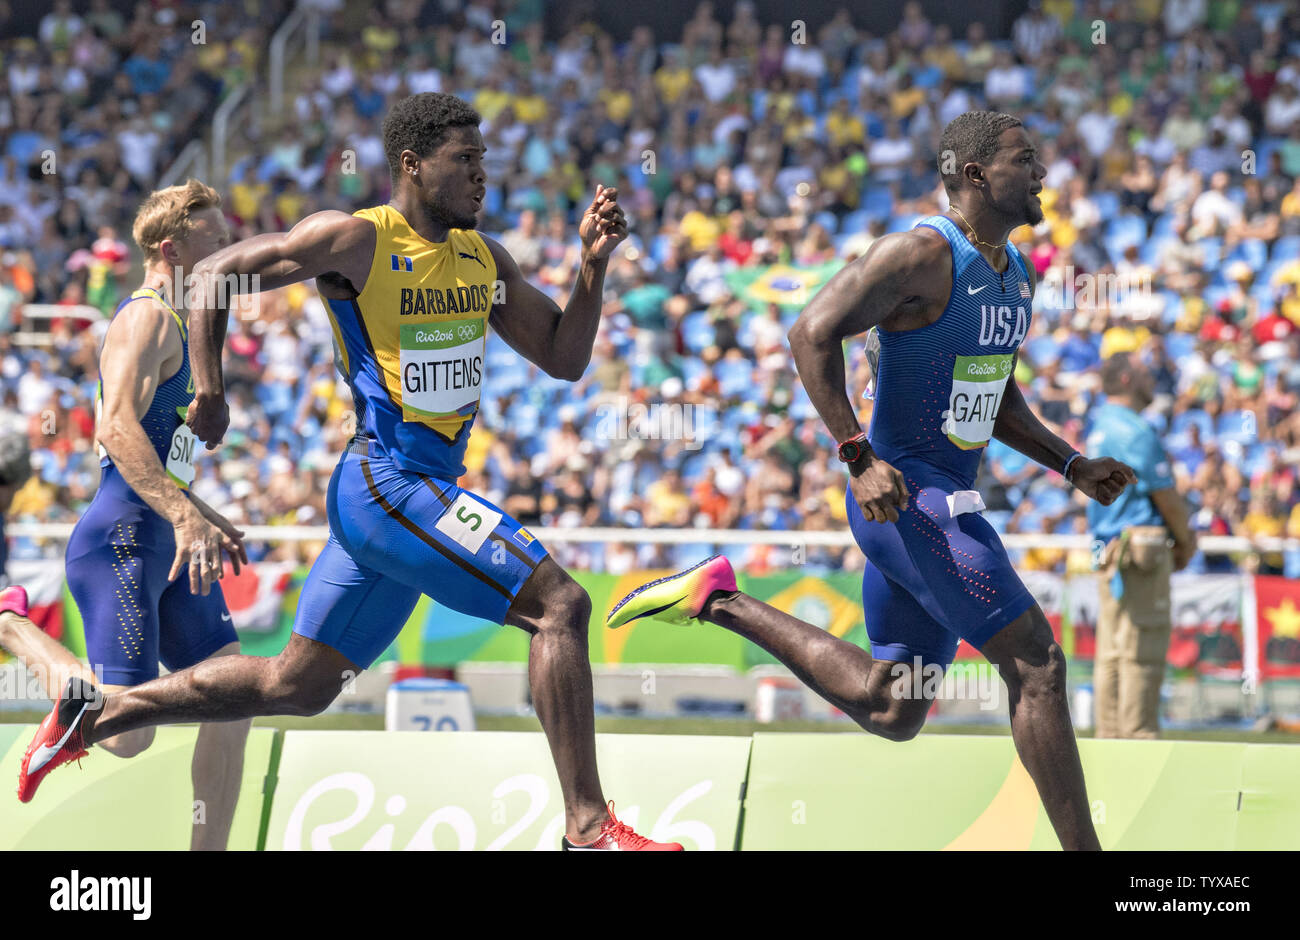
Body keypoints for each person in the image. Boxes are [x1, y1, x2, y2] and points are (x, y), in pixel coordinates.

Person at [20, 94, 677, 851]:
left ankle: (97, 717)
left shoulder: (483, 258)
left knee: (291, 688)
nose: (481, 177)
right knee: (558, 604)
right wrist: (210, 386)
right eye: (464, 160)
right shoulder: (356, 240)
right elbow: (211, 280)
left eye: (484, 160)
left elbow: (564, 358)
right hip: (384, 485)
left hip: (422, 495)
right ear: (412, 164)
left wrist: (592, 268)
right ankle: (589, 827)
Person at [608, 111, 1138, 851]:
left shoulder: (1015, 275)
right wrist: (857, 455)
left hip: (942, 501)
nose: (1044, 173)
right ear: (978, 175)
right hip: (905, 499)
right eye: (1027, 160)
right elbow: (810, 331)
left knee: (894, 707)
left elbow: (996, 391)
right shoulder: (921, 254)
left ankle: (716, 599)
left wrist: (1070, 463)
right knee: (1037, 664)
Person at [1, 180, 252, 850]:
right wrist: (184, 514)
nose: (227, 251)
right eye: (215, 240)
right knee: (129, 735)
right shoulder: (146, 318)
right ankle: (11, 623)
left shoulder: (186, 324)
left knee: (234, 692)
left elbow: (159, 457)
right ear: (171, 248)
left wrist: (202, 512)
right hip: (121, 539)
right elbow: (113, 431)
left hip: (163, 537)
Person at [1085, 352, 1196, 739]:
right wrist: (1186, 541)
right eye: (1147, 372)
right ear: (1129, 378)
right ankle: (1139, 737)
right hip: (1140, 548)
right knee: (1142, 647)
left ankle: (1110, 735)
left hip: (1108, 547)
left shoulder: (1100, 424)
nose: (1153, 379)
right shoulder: (1136, 430)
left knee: (1112, 650)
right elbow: (1165, 497)